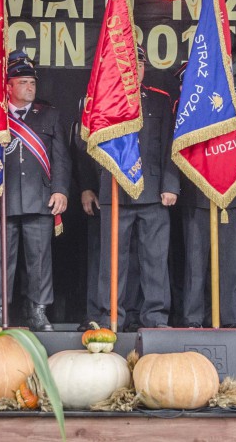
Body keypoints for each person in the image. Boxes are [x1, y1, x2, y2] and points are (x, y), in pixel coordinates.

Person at [0, 51, 70, 331]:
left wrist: (61, 190)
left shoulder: (49, 114)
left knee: (39, 260)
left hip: (39, 197)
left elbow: (61, 158)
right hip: (1, 198)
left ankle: (37, 311)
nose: (29, 88)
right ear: (8, 86)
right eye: (23, 83)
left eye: (32, 82)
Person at [88, 46, 179, 329]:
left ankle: (155, 318)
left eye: (139, 65)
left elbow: (170, 147)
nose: (135, 70)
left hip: (153, 191)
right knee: (112, 260)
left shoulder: (160, 100)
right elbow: (91, 147)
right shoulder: (105, 101)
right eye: (129, 65)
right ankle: (111, 317)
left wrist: (171, 185)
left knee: (155, 259)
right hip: (115, 190)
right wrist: (95, 186)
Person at [179, 77, 236, 328]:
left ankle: (229, 320)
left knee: (229, 264)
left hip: (231, 196)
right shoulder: (191, 103)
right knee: (195, 263)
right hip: (197, 195)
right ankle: (193, 319)